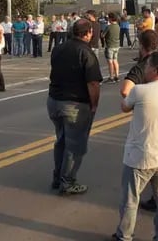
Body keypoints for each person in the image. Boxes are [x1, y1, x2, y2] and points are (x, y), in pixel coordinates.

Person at [111, 52, 158, 241]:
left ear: (154, 69)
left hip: (141, 155)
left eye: (147, 65)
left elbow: (125, 106)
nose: (145, 68)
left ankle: (124, 235)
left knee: (130, 200)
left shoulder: (140, 90)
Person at [47, 19, 102, 195]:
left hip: (54, 100)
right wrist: (94, 105)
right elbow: (93, 83)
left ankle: (58, 176)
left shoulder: (58, 48)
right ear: (88, 33)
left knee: (61, 140)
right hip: (75, 104)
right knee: (75, 145)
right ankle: (68, 181)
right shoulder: (86, 52)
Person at [103, 13, 121, 83]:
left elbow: (102, 35)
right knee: (115, 60)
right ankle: (117, 76)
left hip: (110, 45)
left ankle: (111, 77)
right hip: (116, 45)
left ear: (110, 18)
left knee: (110, 62)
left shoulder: (109, 27)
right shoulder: (118, 26)